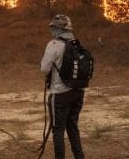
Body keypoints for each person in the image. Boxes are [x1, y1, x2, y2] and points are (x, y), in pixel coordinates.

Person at [40, 14, 85, 159]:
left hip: (59, 94)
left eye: (53, 28)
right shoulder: (77, 44)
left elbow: (44, 69)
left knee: (58, 130)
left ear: (57, 29)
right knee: (72, 127)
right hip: (78, 92)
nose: (51, 31)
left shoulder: (53, 45)